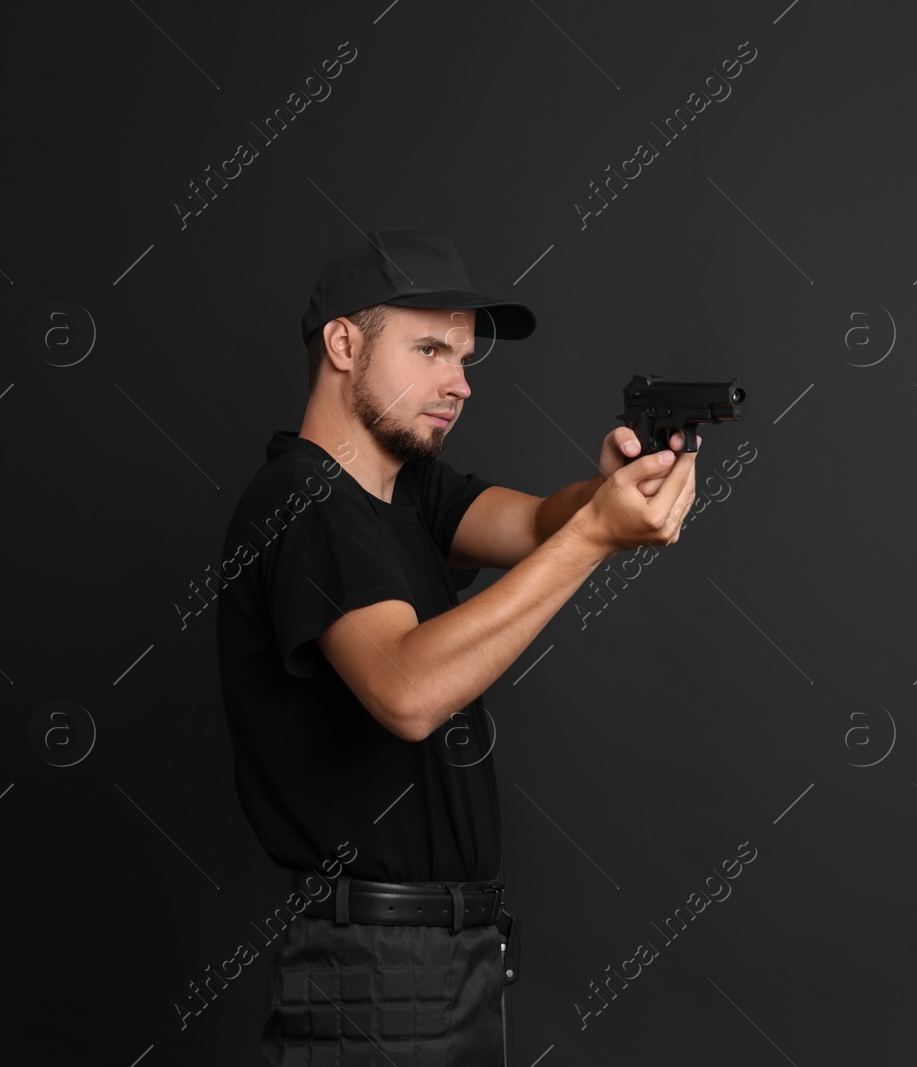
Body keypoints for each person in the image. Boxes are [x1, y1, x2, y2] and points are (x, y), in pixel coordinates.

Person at [214, 228, 700, 1065]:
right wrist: (596, 536)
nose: (460, 383)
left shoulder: (410, 492)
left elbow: (540, 522)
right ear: (342, 344)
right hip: (373, 962)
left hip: (453, 955)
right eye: (431, 348)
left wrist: (615, 488)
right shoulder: (302, 500)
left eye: (466, 357)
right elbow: (405, 688)